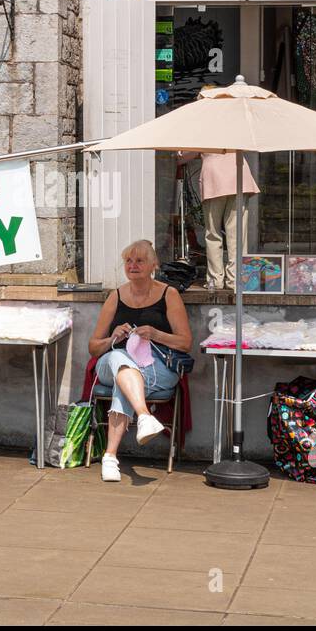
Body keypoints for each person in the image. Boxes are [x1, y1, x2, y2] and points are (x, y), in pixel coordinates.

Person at [86, 239, 193, 483]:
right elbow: (93, 347)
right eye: (128, 261)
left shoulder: (169, 294)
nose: (133, 265)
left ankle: (110, 457)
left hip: (157, 366)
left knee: (125, 383)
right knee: (120, 357)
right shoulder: (116, 296)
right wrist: (113, 338)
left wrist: (156, 334)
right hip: (111, 363)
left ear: (153, 264)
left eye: (140, 260)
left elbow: (185, 342)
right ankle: (144, 415)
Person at [192, 151, 258, 290]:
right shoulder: (237, 128)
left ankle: (215, 279)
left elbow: (183, 155)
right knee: (237, 234)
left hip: (214, 175)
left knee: (213, 233)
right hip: (238, 171)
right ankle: (235, 279)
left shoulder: (200, 129)